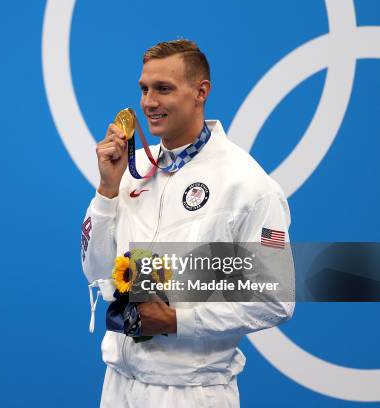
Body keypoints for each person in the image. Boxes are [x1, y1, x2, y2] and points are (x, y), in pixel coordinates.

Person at [80, 39, 295, 407]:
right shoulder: (133, 172)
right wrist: (106, 190)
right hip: (118, 385)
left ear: (201, 92)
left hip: (190, 393)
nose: (149, 102)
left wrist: (177, 320)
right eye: (144, 89)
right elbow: (96, 271)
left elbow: (275, 300)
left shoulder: (249, 186)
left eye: (164, 89)